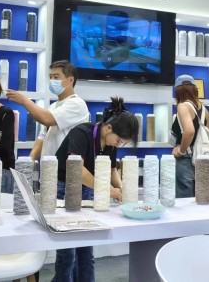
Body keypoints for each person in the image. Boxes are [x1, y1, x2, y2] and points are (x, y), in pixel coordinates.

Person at [54, 97, 137, 282]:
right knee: (67, 252)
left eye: (122, 143)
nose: (118, 145)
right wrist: (106, 190)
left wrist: (122, 188)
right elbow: (77, 170)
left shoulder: (110, 143)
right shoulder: (81, 133)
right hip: (65, 187)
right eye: (119, 140)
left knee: (86, 249)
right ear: (108, 128)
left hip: (89, 188)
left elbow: (112, 169)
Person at [7, 60, 89, 160]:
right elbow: (42, 137)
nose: (52, 80)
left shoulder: (77, 104)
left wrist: (25, 101)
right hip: (48, 165)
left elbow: (47, 119)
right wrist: (30, 160)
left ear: (70, 80)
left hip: (66, 166)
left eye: (56, 77)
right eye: (50, 77)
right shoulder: (53, 106)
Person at [170, 74, 209, 198]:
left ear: (178, 91)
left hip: (186, 159)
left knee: (185, 201)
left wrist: (181, 151)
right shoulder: (204, 110)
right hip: (202, 158)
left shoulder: (183, 106)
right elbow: (208, 135)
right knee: (201, 199)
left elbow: (189, 131)